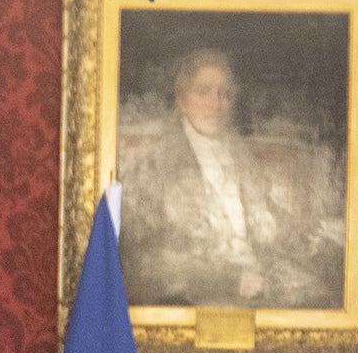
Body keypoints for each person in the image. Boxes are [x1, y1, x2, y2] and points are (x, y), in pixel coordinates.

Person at [117, 48, 343, 309]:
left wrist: (318, 239)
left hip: (263, 280)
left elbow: (270, 222)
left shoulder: (240, 155)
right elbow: (143, 262)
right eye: (203, 92)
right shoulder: (156, 165)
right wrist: (229, 281)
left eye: (224, 94)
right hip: (199, 294)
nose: (216, 105)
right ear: (182, 99)